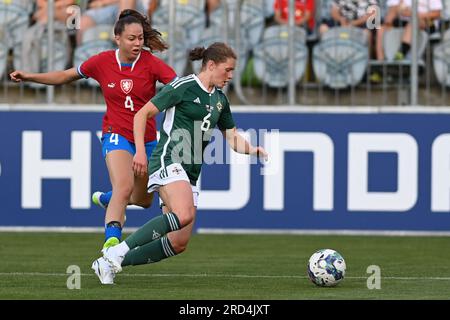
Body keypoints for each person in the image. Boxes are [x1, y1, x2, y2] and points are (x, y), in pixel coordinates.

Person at [91, 42, 269, 285]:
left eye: (232, 71)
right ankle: (116, 251)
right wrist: (141, 152)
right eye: (227, 70)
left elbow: (232, 137)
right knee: (183, 214)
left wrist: (252, 150)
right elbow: (143, 114)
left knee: (178, 242)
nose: (230, 76)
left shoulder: (220, 100)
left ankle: (110, 263)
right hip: (168, 159)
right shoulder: (183, 86)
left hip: (191, 172)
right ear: (211, 65)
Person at [10, 9, 177, 250]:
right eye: (131, 38)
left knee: (143, 200)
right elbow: (65, 76)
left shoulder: (151, 64)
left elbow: (177, 87)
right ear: (117, 38)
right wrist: (29, 76)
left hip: (147, 139)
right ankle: (111, 243)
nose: (138, 43)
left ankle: (108, 199)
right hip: (115, 133)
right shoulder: (102, 61)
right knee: (123, 185)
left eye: (140, 38)